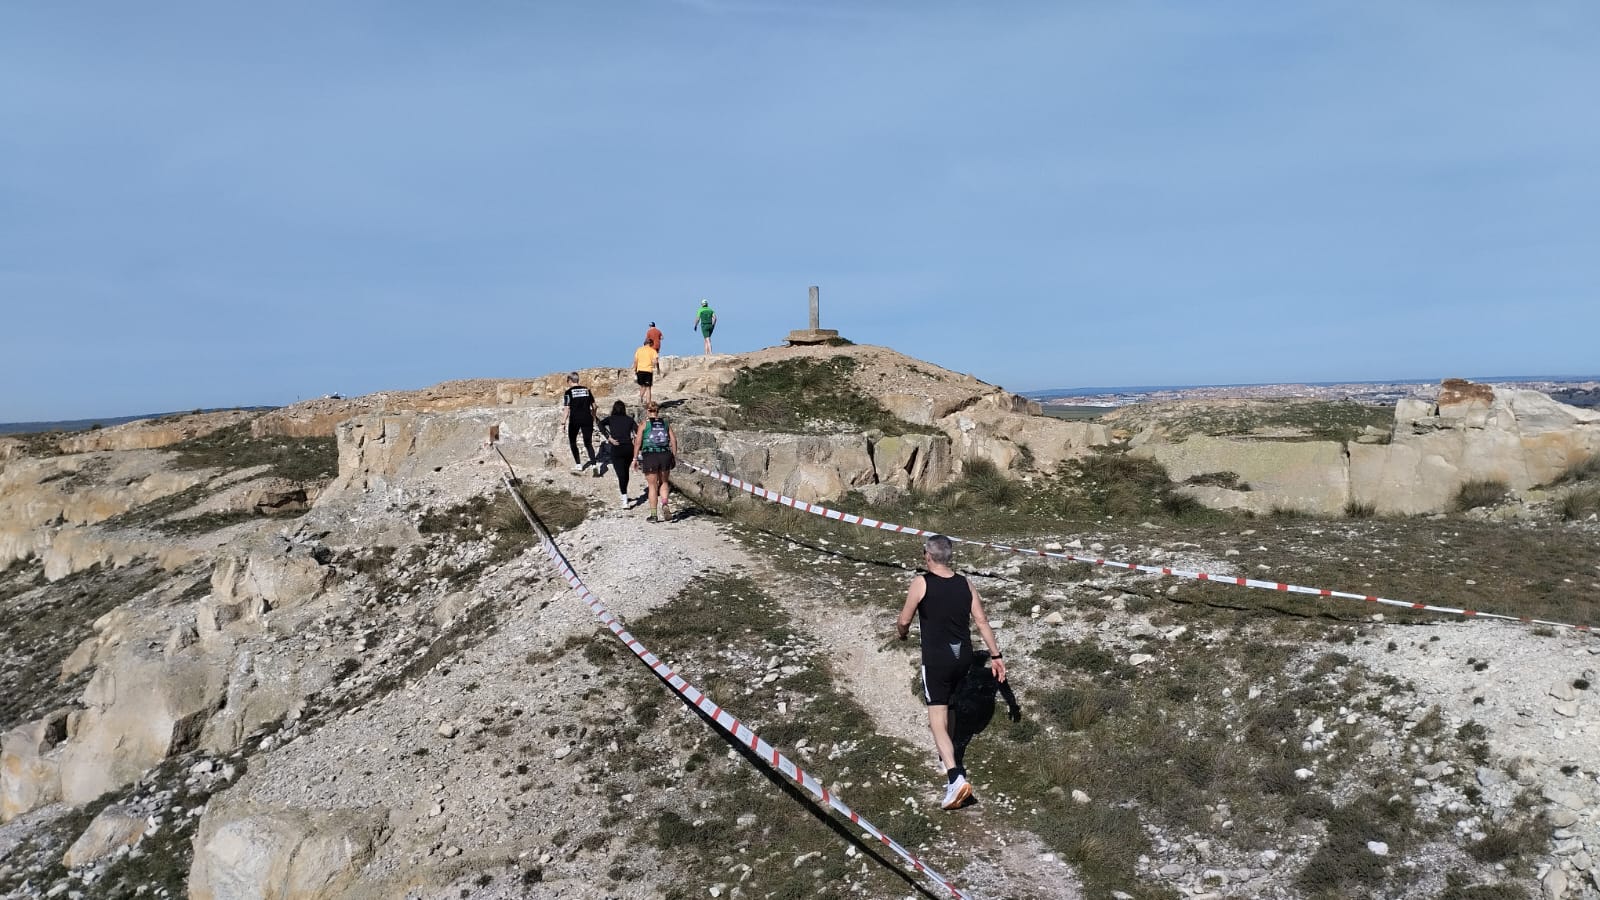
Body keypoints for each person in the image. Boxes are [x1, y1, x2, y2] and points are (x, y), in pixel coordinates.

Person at [895, 534, 1006, 810]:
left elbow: (904, 619)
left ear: (927, 556)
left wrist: (902, 633)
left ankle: (955, 777)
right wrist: (996, 655)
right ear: (950, 556)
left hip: (937, 660)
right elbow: (981, 621)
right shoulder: (965, 583)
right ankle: (949, 754)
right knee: (952, 704)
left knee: (936, 715)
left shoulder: (922, 583)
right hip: (963, 657)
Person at [634, 401, 678, 522]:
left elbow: (637, 442)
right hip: (665, 454)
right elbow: (673, 441)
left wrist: (635, 458)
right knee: (664, 482)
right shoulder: (665, 423)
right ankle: (664, 504)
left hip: (650, 455)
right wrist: (673, 456)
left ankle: (654, 515)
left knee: (652, 486)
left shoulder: (644, 424)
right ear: (658, 411)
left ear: (648, 411)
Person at [597, 400, 637, 509]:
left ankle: (624, 499)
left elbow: (599, 424)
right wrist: (634, 439)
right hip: (629, 448)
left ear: (613, 409)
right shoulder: (629, 420)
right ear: (624, 409)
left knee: (620, 474)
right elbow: (637, 431)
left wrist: (609, 438)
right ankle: (625, 495)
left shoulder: (611, 419)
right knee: (625, 472)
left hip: (617, 448)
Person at [560, 373, 598, 473]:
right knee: (588, 443)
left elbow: (567, 408)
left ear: (569, 380)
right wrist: (593, 416)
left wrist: (563, 423)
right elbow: (594, 406)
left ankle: (578, 465)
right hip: (587, 419)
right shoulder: (587, 390)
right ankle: (594, 465)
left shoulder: (568, 392)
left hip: (575, 420)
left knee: (573, 442)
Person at [632, 339, 660, 406]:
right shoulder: (653, 351)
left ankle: (640, 398)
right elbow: (656, 361)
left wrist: (635, 370)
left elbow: (635, 361)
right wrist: (657, 368)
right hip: (648, 371)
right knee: (648, 388)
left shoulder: (639, 350)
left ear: (644, 343)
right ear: (651, 344)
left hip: (640, 370)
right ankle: (648, 403)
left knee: (642, 386)